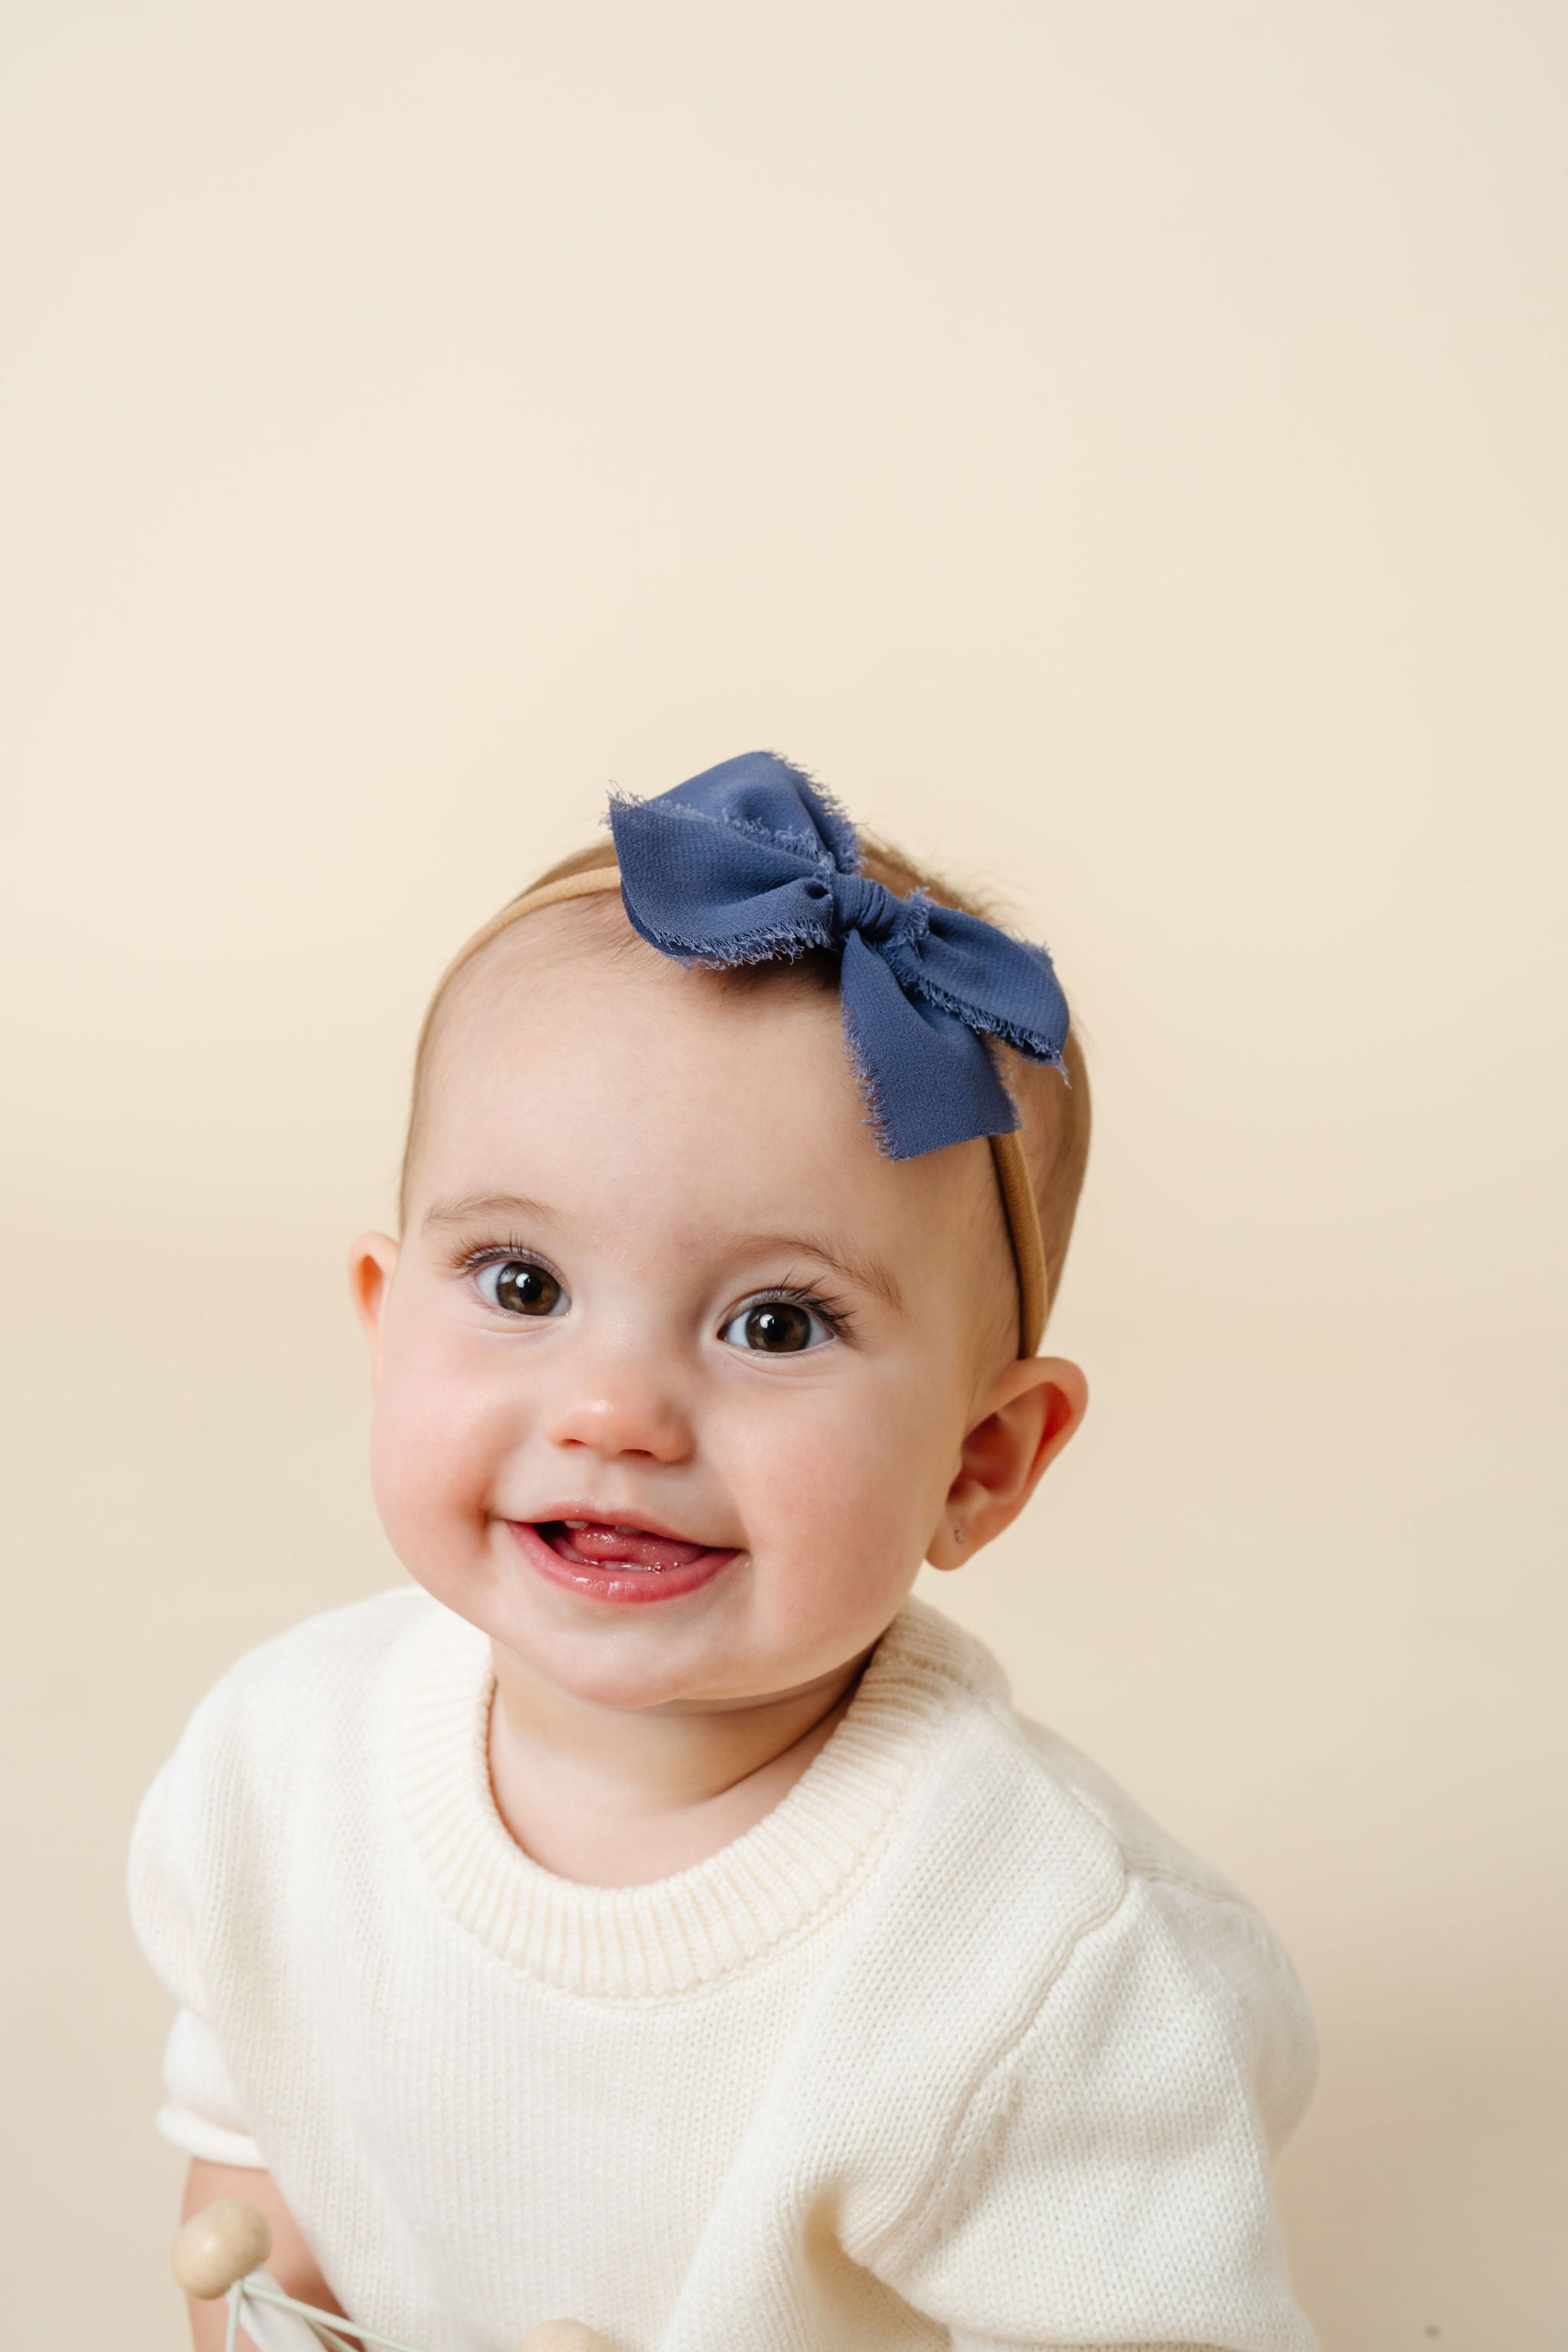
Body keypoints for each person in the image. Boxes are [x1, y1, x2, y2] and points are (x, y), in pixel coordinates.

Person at [129, 751, 1318, 2352]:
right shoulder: (278, 1770)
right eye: (522, 1284)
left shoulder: (1039, 1968)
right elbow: (256, 2164)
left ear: (979, 1463)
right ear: (380, 1321)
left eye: (774, 1322)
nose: (616, 1410)